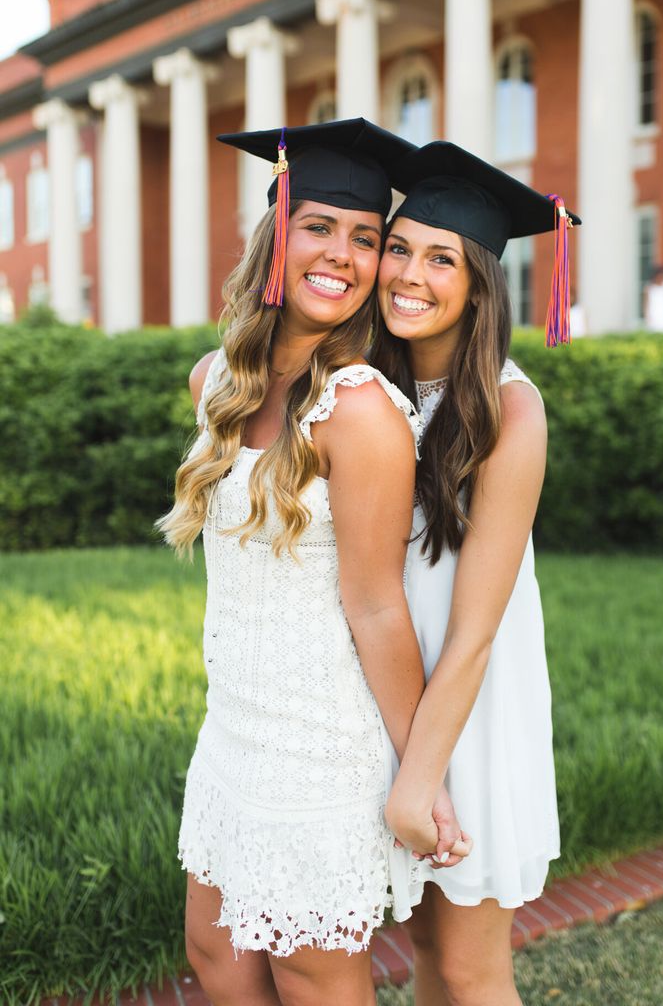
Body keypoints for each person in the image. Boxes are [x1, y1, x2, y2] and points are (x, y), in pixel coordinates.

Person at [156, 119, 468, 1006]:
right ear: (275, 239)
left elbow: (377, 608)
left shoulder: (360, 409)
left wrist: (422, 774)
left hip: (320, 751)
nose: (342, 254)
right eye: (319, 226)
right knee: (216, 959)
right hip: (235, 733)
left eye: (365, 238)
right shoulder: (214, 382)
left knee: (309, 975)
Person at [371, 141, 580, 1006]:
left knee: (468, 966)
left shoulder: (508, 405)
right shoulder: (364, 388)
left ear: (481, 281)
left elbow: (477, 627)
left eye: (441, 257)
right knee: (424, 948)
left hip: (471, 710)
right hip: (388, 695)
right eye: (399, 246)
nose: (409, 274)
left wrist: (422, 778)